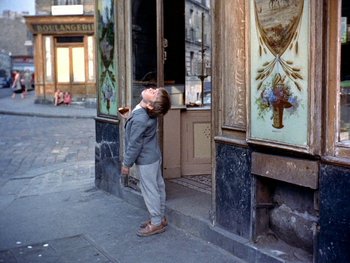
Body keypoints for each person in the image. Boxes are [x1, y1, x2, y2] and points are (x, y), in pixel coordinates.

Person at [120, 87, 171, 237]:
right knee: (158, 186)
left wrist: (126, 164)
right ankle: (160, 218)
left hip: (146, 160)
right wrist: (130, 117)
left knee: (150, 190)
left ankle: (156, 223)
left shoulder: (141, 119)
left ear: (149, 105)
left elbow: (134, 144)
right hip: (154, 156)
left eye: (154, 93)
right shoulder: (145, 112)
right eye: (155, 90)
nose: (151, 89)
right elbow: (140, 127)